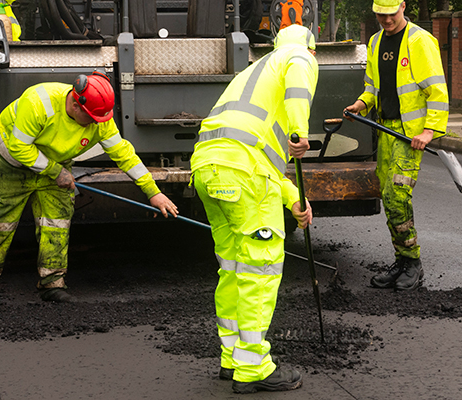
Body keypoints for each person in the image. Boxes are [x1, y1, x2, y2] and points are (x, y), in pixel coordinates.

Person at [0, 72, 178, 306]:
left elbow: (123, 154)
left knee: (56, 224)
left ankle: (52, 284)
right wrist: (56, 172)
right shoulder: (38, 103)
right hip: (12, 164)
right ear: (76, 104)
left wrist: (153, 192)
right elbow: (18, 147)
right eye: (92, 118)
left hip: (54, 167)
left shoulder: (100, 118)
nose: (98, 124)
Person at [191, 24, 317, 394]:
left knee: (233, 268)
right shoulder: (296, 57)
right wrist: (299, 130)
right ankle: (254, 367)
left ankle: (232, 358)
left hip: (210, 169)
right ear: (311, 49)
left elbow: (257, 158)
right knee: (260, 271)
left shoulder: (255, 72)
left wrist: (293, 196)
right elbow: (298, 78)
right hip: (244, 173)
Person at [343, 0, 448, 291]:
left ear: (402, 7)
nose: (385, 20)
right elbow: (372, 87)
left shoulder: (420, 41)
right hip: (386, 132)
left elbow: (437, 90)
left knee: (397, 196)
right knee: (388, 198)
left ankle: (413, 263)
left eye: (390, 14)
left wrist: (429, 130)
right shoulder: (376, 41)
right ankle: (401, 261)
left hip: (409, 135)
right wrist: (361, 105)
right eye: (380, 14)